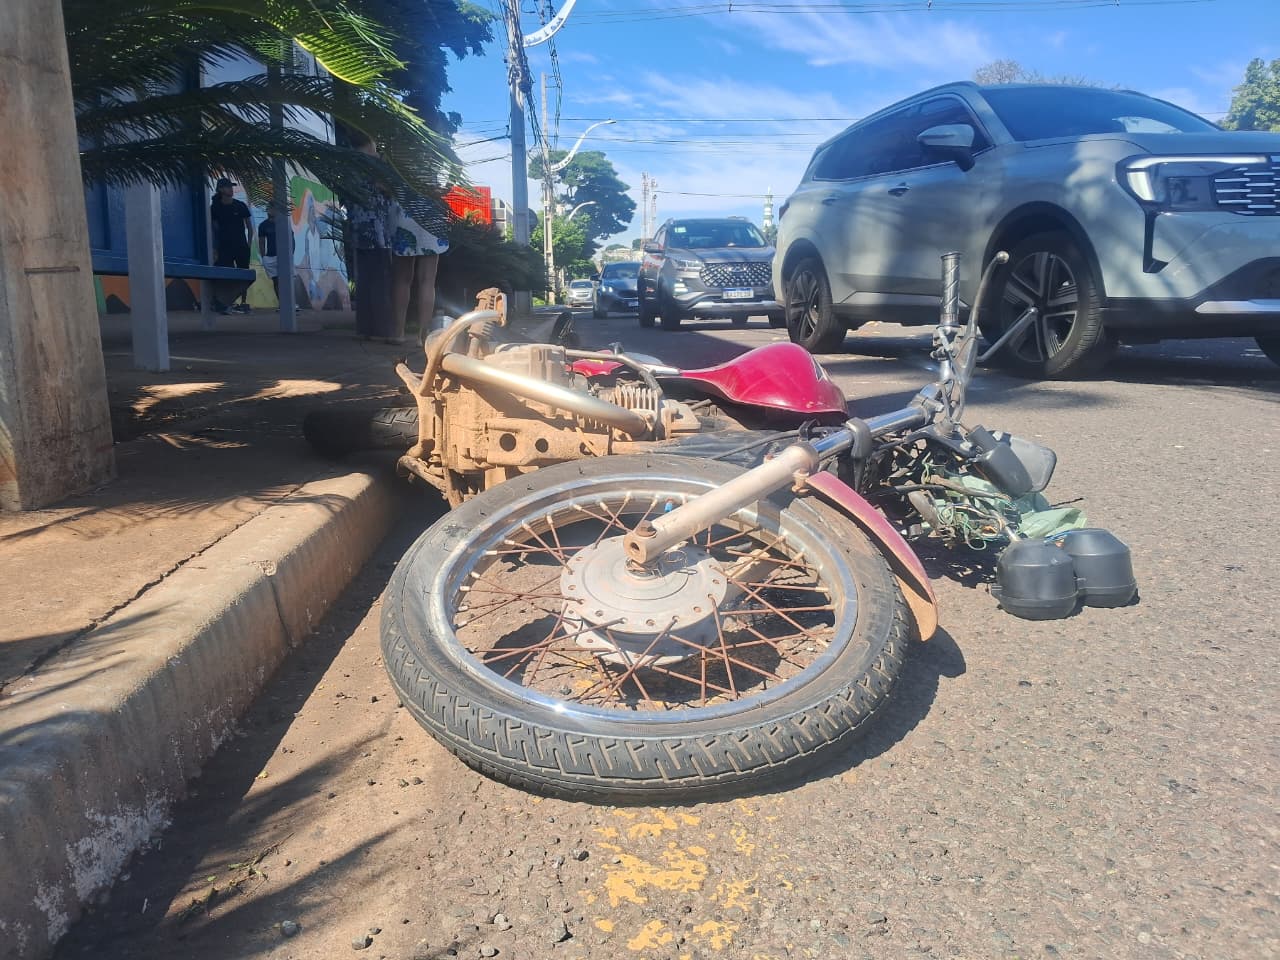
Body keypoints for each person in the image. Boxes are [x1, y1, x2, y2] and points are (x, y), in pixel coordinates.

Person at [346, 138, 396, 339]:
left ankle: (364, 328)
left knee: (364, 280)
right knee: (380, 280)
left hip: (359, 226)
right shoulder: (377, 164)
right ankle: (381, 328)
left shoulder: (351, 163)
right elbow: (387, 188)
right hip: (378, 229)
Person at [390, 189, 451, 343]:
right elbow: (456, 166)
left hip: (404, 213)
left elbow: (383, 183)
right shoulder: (437, 163)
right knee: (428, 281)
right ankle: (423, 336)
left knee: (402, 280)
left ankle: (399, 333)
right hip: (431, 215)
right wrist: (442, 188)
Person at [210, 177, 254, 314]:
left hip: (241, 246)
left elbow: (249, 227)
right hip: (224, 247)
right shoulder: (215, 208)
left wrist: (249, 243)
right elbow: (214, 228)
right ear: (221, 189)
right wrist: (215, 248)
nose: (231, 189)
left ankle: (242, 302)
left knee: (244, 275)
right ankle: (222, 302)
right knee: (224, 274)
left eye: (232, 187)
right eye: (228, 187)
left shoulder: (240, 206)